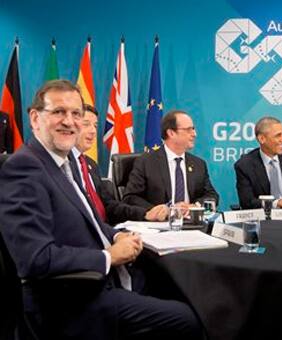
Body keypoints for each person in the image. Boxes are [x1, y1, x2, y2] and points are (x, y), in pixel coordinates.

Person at [0, 80, 201, 339]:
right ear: (35, 118)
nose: (70, 121)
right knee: (187, 319)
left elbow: (89, 222)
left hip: (102, 281)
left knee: (181, 287)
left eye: (76, 114)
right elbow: (34, 259)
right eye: (59, 112)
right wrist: (109, 256)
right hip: (72, 301)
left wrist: (116, 235)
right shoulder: (24, 168)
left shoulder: (63, 164)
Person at [69, 104, 168, 225]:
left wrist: (145, 214)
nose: (93, 131)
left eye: (95, 126)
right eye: (86, 124)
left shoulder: (90, 165)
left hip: (106, 230)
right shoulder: (64, 165)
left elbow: (110, 206)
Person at [123, 110, 219, 210]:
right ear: (171, 133)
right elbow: (130, 198)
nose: (194, 134)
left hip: (191, 222)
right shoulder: (146, 162)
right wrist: (158, 211)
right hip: (158, 223)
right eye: (188, 130)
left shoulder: (198, 164)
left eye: (193, 129)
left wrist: (194, 206)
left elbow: (212, 195)